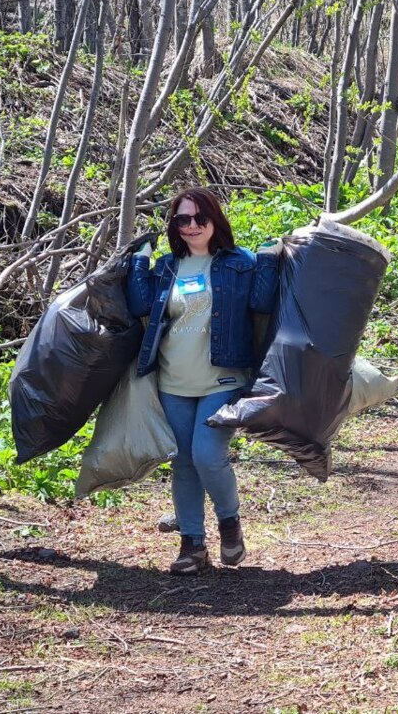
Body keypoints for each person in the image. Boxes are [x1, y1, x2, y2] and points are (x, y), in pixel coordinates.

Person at [126, 187, 278, 575]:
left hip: (223, 377)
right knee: (183, 462)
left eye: (199, 218)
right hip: (173, 380)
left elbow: (262, 303)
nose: (192, 226)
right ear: (174, 226)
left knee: (207, 454)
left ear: (215, 219)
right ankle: (192, 544)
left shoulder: (238, 263)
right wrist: (139, 264)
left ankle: (229, 523)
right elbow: (141, 306)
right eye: (182, 220)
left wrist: (268, 259)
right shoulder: (166, 267)